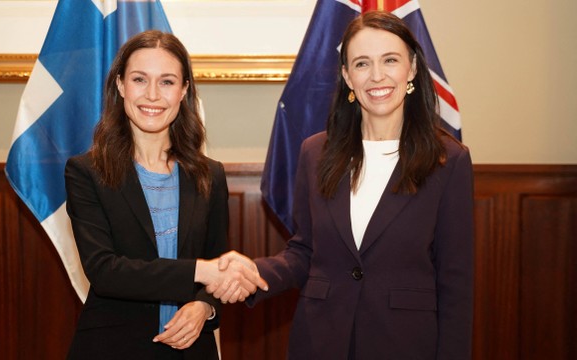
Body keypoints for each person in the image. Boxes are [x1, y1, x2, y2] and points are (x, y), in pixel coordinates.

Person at [213, 11, 474, 359]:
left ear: (411, 69)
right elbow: (305, 252)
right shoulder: (315, 152)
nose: (377, 75)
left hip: (405, 344)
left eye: (390, 60)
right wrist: (254, 272)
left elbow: (455, 283)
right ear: (347, 76)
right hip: (320, 340)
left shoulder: (449, 160)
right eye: (362, 63)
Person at [64, 30, 266, 360]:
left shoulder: (208, 174)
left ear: (184, 90)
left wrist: (204, 307)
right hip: (112, 349)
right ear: (120, 85)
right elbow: (105, 271)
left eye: (168, 81)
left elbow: (216, 268)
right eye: (140, 79)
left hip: (191, 350)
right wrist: (203, 271)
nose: (153, 95)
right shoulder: (87, 172)